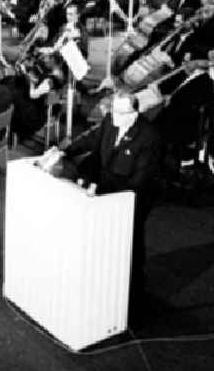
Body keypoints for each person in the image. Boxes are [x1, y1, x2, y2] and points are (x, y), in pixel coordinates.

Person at [61, 90, 162, 315]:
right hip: (106, 189)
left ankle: (134, 298)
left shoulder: (149, 137)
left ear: (135, 112)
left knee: (131, 246)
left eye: (120, 112)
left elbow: (140, 179)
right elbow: (90, 140)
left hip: (132, 199)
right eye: (113, 111)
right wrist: (63, 151)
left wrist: (104, 194)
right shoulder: (110, 120)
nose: (115, 117)